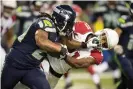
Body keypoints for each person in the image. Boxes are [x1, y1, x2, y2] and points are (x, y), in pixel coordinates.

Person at [41, 21, 119, 89]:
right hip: (45, 58)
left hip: (55, 74)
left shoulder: (98, 55)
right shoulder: (83, 26)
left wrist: (64, 54)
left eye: (105, 44)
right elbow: (64, 37)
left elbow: (77, 64)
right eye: (103, 38)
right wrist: (85, 45)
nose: (102, 42)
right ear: (102, 32)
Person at [114, 2, 133, 89]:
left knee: (126, 82)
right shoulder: (125, 20)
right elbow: (115, 35)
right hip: (124, 54)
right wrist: (116, 45)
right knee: (131, 77)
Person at [0, 0, 17, 72]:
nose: (8, 10)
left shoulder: (12, 19)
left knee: (3, 60)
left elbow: (10, 37)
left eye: (11, 8)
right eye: (7, 7)